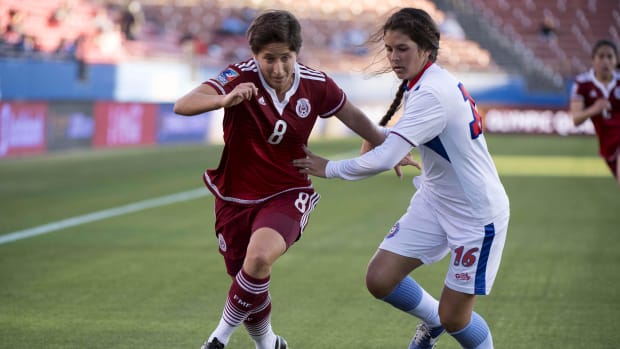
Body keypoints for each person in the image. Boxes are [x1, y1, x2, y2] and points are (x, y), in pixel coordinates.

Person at [173, 9, 393, 349]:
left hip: (288, 190)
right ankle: (270, 344)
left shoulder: (316, 85)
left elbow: (356, 118)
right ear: (254, 56)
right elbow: (184, 104)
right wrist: (223, 99)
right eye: (268, 59)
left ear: (297, 53)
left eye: (285, 58)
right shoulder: (239, 77)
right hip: (235, 195)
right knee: (249, 280)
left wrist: (390, 147)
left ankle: (218, 339)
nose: (277, 69)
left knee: (260, 258)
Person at [293, 7, 510, 349]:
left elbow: (385, 159)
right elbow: (401, 141)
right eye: (390, 49)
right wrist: (383, 137)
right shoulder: (425, 82)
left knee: (457, 319)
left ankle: (446, 322)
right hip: (436, 200)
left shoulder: (432, 93)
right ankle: (433, 319)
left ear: (426, 49)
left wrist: (329, 168)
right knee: (380, 279)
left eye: (402, 48)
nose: (393, 57)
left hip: (476, 216)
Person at [570, 39, 620, 186]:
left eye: (610, 57)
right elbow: (576, 119)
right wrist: (594, 109)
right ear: (593, 59)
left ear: (616, 60)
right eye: (601, 56)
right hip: (608, 145)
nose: (606, 61)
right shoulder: (582, 83)